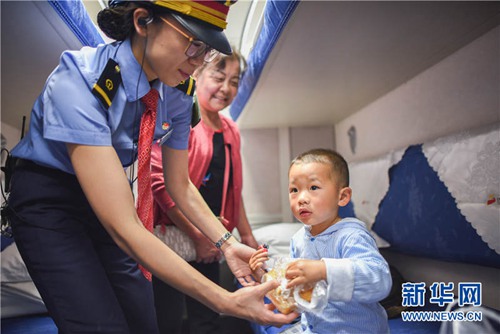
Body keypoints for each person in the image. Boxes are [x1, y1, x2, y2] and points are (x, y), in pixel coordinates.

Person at [5, 1, 297, 333]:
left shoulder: (178, 91)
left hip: (109, 195)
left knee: (144, 316)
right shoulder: (80, 81)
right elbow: (124, 228)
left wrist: (227, 244)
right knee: (100, 324)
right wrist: (222, 300)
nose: (200, 60)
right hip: (49, 199)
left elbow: (180, 183)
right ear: (143, 21)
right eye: (194, 44)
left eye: (208, 51)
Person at [150, 50, 259, 333]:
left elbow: (235, 189)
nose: (226, 88)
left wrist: (246, 235)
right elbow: (162, 185)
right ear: (196, 74)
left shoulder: (231, 129)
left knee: (207, 320)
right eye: (219, 78)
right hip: (179, 235)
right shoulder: (181, 119)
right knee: (168, 317)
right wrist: (198, 235)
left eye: (234, 81)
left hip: (213, 238)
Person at [250, 148, 392, 333]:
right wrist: (264, 277)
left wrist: (324, 270)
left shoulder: (351, 235)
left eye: (313, 187)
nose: (301, 198)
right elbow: (297, 295)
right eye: (294, 190)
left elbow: (379, 280)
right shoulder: (299, 240)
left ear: (342, 197)